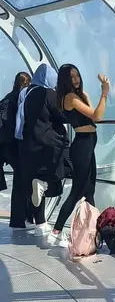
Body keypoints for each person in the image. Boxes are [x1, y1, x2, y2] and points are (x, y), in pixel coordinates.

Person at [47, 64, 110, 248]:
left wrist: (88, 96)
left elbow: (91, 116)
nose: (76, 79)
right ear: (64, 80)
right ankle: (56, 232)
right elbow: (97, 116)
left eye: (77, 75)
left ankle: (94, 234)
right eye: (71, 77)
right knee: (77, 191)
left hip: (88, 145)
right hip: (82, 146)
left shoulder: (78, 96)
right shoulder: (70, 98)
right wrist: (104, 93)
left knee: (89, 191)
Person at [18, 64, 69, 236]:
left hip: (29, 144)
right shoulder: (48, 94)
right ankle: (45, 182)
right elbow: (61, 115)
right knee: (69, 166)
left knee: (36, 180)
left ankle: (40, 224)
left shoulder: (28, 93)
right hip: (49, 143)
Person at [0, 71, 32, 230]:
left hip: (5, 146)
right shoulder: (22, 100)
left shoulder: (8, 98)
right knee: (22, 180)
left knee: (21, 180)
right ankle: (21, 219)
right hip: (13, 146)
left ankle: (21, 218)